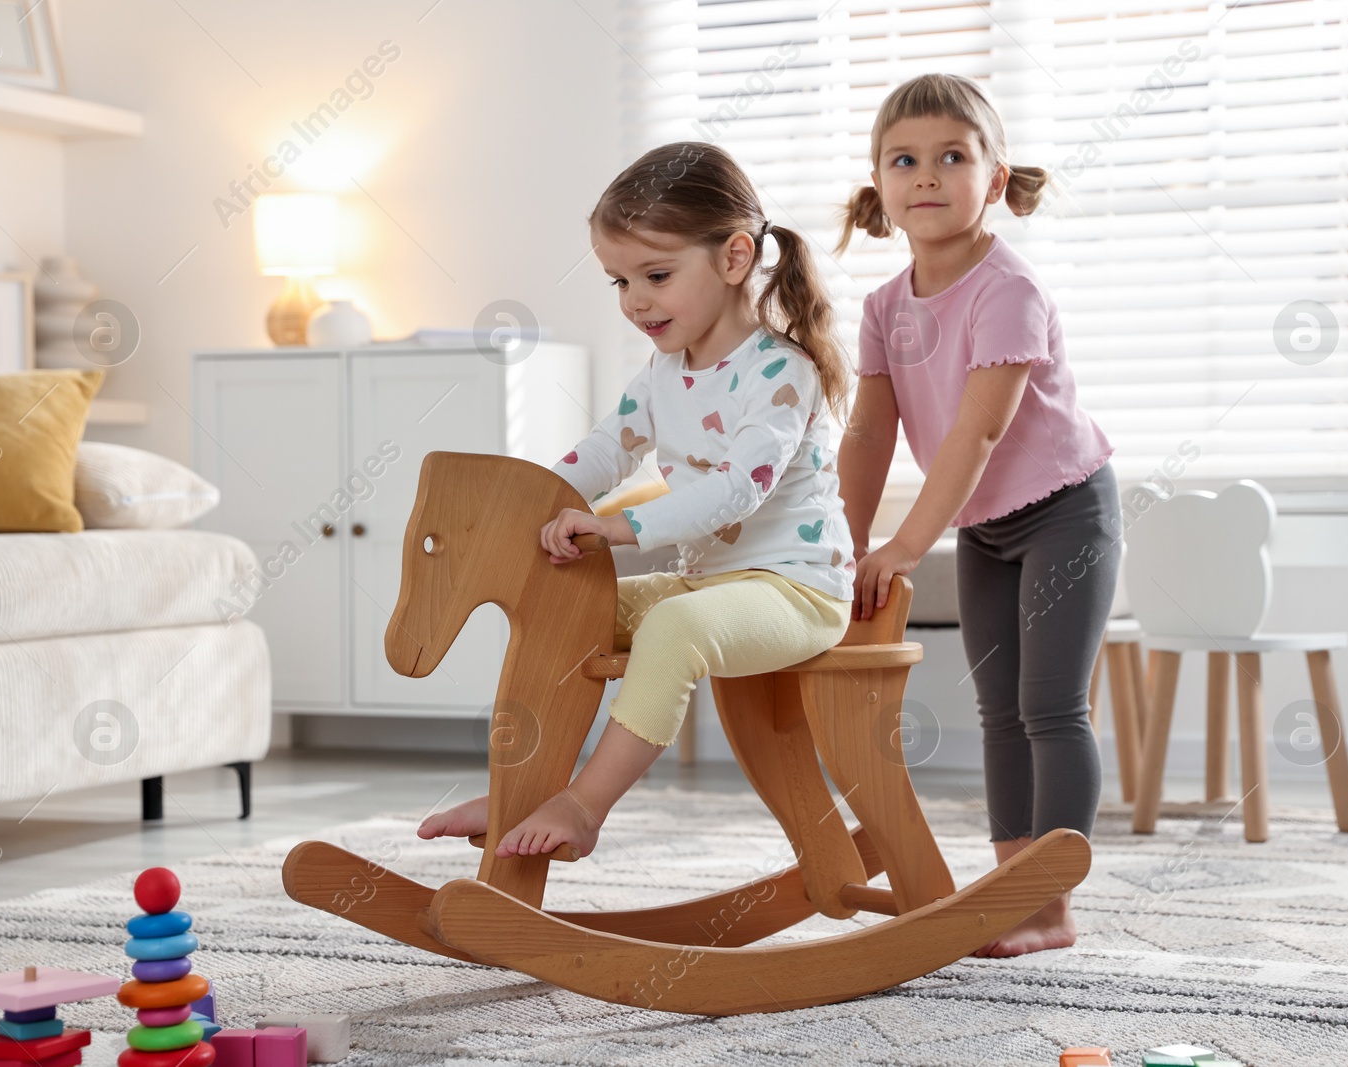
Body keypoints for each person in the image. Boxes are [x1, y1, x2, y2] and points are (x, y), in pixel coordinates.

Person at [418, 141, 856, 862]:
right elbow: (604, 449)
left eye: (655, 275)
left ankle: (586, 804)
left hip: (797, 590)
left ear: (735, 258)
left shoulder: (783, 370)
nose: (635, 300)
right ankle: (519, 789)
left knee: (675, 626)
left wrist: (618, 527)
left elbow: (739, 486)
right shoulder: (664, 370)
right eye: (619, 281)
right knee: (563, 603)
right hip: (710, 583)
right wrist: (525, 503)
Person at [836, 73, 1121, 958]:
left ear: (993, 180)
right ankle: (1013, 890)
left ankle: (1051, 907)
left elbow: (979, 428)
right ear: (880, 186)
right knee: (999, 710)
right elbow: (870, 430)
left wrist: (908, 542)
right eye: (905, 160)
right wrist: (843, 547)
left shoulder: (1008, 287)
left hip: (1067, 511)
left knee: (1050, 707)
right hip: (987, 527)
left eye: (952, 157)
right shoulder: (885, 307)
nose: (926, 175)